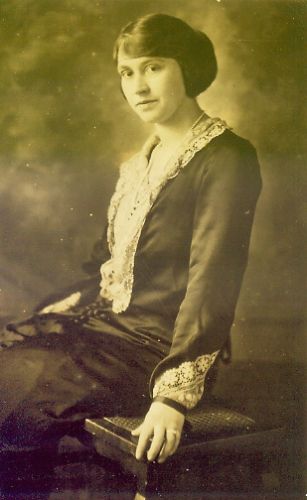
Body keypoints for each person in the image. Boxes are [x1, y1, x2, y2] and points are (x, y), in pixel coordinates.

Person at [0, 13, 261, 466]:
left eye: (153, 67)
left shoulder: (226, 158)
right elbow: (112, 267)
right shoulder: (139, 163)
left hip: (157, 352)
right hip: (107, 329)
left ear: (187, 67)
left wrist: (172, 398)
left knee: (16, 394)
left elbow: (213, 281)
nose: (138, 86)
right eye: (127, 72)